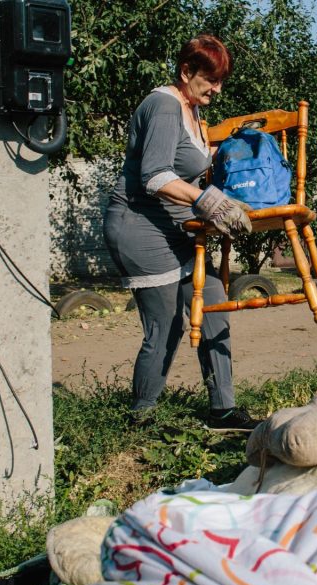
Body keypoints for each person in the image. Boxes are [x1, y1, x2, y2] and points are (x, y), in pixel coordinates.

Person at [102, 34, 259, 431]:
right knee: (167, 324)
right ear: (187, 71)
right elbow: (154, 175)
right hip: (138, 224)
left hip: (173, 227)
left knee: (213, 300)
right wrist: (211, 203)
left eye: (221, 80)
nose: (217, 88)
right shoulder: (164, 106)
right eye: (211, 79)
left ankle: (222, 410)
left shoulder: (192, 111)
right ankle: (141, 417)